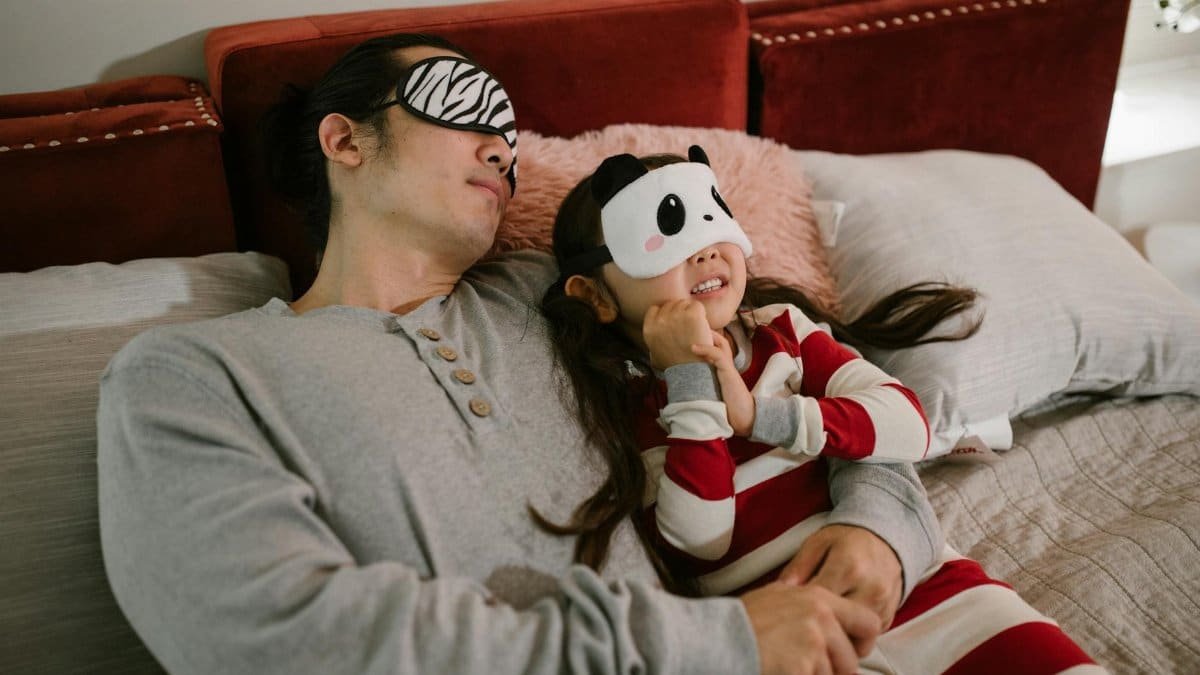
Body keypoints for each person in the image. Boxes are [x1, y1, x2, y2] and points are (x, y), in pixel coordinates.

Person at [98, 33, 948, 675]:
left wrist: (878, 525)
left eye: (508, 131)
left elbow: (787, 357)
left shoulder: (575, 295)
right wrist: (710, 644)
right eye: (459, 105)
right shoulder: (190, 377)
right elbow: (271, 636)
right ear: (346, 142)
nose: (502, 148)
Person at [539, 147, 1108, 674]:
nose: (705, 249)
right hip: (793, 630)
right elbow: (701, 541)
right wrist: (689, 381)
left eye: (711, 219)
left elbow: (907, 424)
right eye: (664, 233)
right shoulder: (630, 399)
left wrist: (760, 418)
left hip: (922, 581)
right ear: (595, 295)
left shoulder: (783, 330)